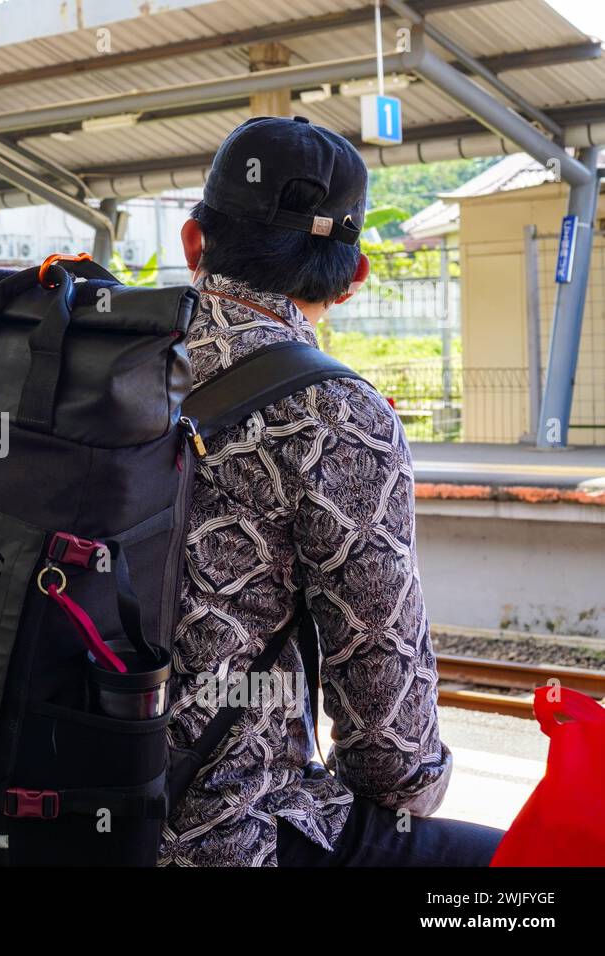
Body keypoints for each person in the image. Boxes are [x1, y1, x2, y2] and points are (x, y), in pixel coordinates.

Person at [159, 116, 504, 867]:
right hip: (223, 833)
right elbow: (383, 705)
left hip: (31, 794)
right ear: (353, 277)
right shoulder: (333, 411)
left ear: (194, 242)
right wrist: (410, 790)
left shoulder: (99, 358)